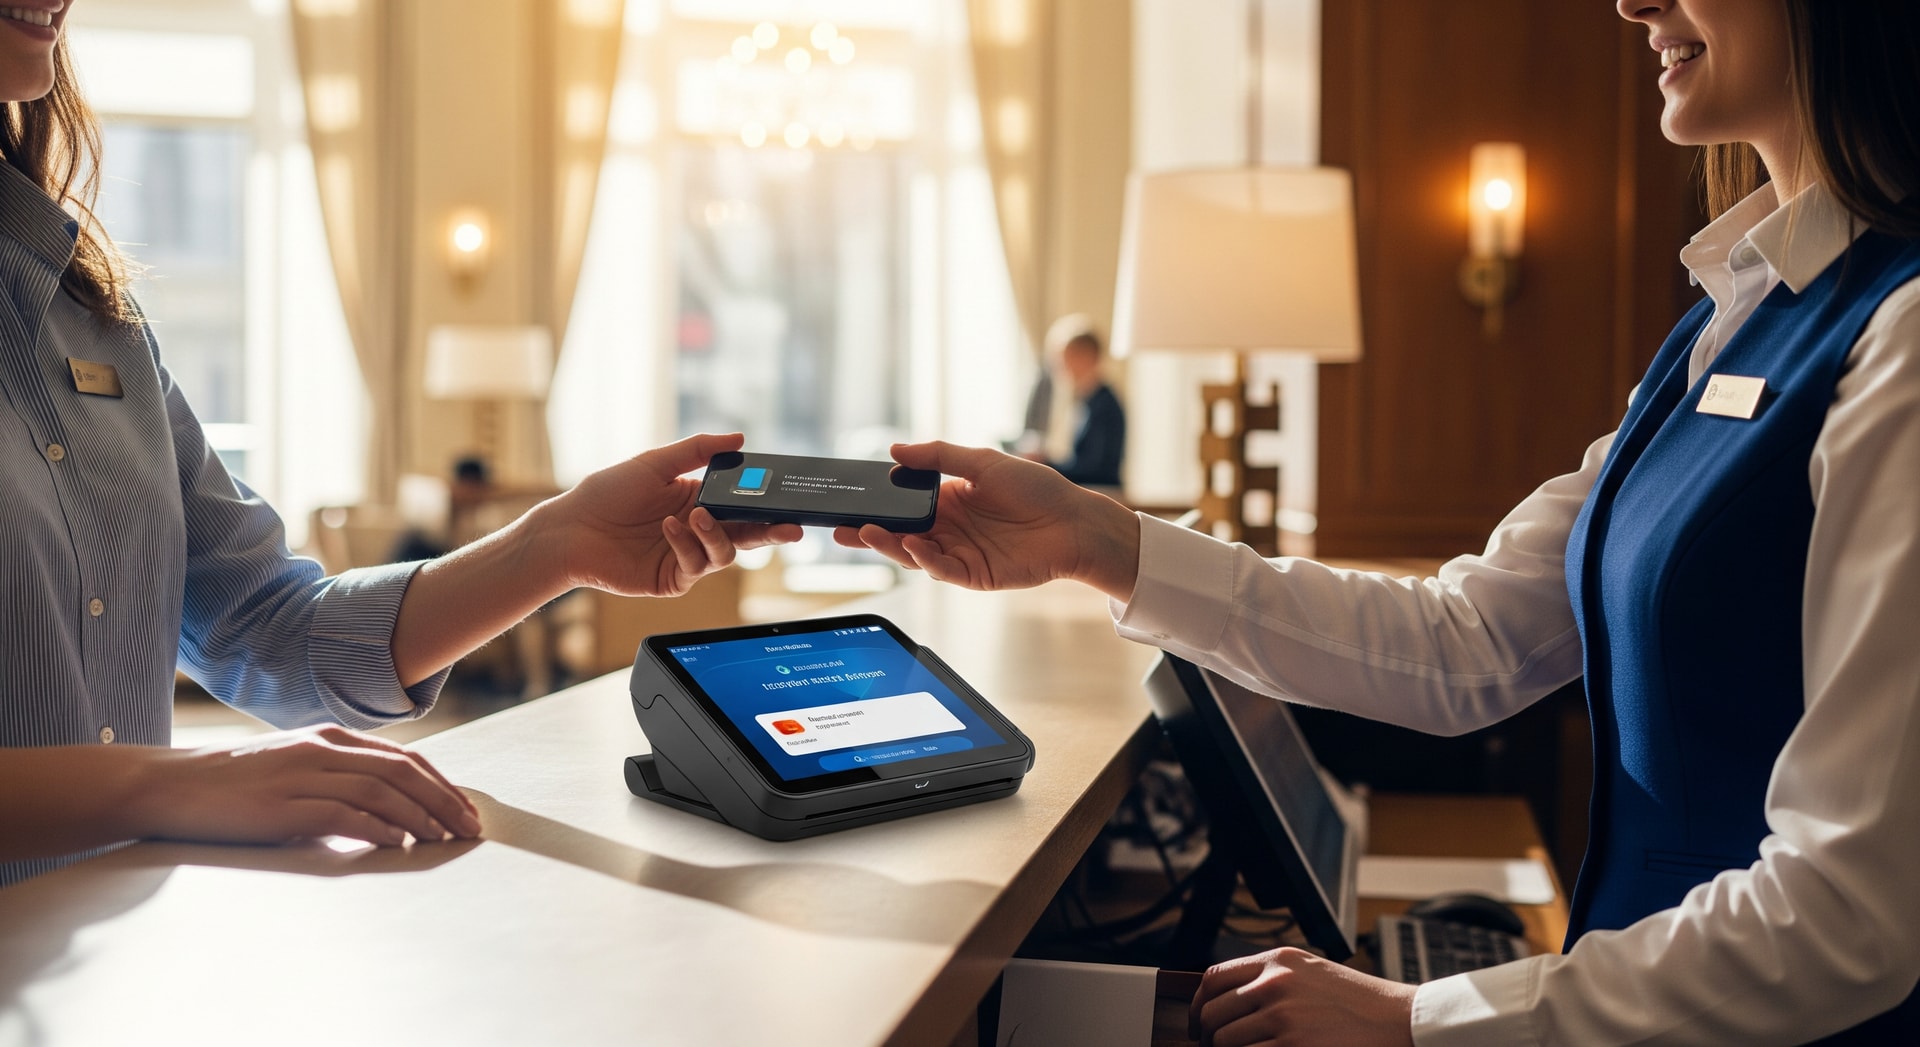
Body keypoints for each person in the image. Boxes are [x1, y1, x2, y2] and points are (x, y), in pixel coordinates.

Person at [840, 0, 1920, 1042]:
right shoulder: (1725, 324)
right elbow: (1469, 641)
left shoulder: (1901, 335)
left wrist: (1418, 1020)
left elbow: (1851, 913)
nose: (1635, 4)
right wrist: (1100, 542)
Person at [0, 10, 801, 889]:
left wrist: (558, 541)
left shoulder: (97, 321)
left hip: (110, 948)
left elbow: (271, 632)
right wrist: (171, 785)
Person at [1016, 319, 1126, 488]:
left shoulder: (1104, 406)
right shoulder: (1088, 402)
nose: (1060, 367)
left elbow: (1095, 470)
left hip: (1102, 494)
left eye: (1064, 358)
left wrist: (1046, 464)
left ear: (1085, 357)